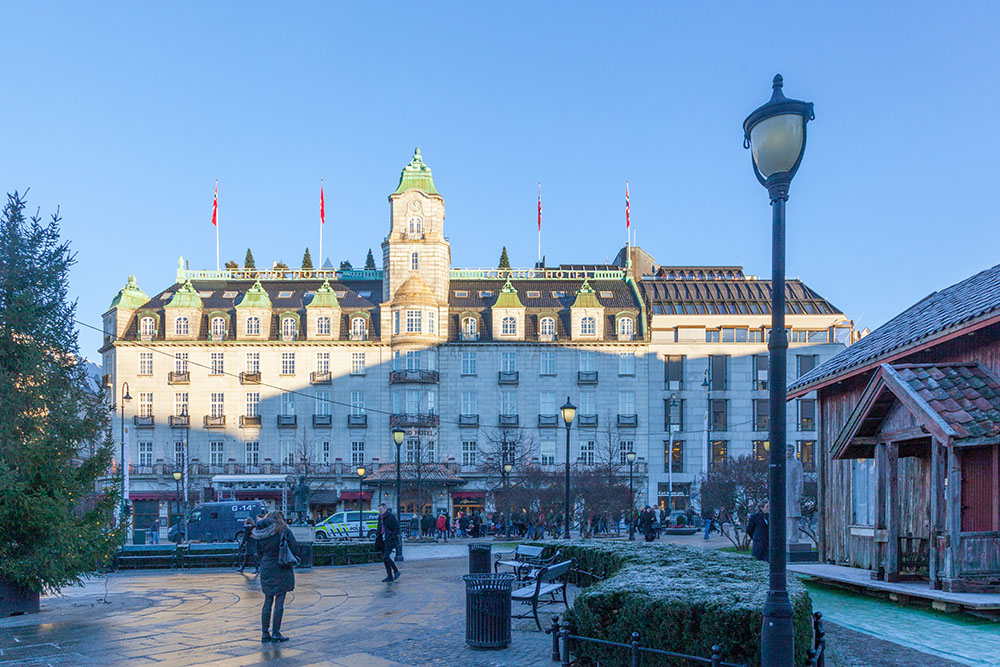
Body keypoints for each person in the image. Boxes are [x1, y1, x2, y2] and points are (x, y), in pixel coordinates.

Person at [252, 511, 300, 643]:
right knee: (279, 601)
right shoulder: (283, 530)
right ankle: (276, 633)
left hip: (266, 567)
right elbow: (295, 548)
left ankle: (264, 633)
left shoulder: (260, 533)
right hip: (281, 566)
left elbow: (258, 552)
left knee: (267, 600)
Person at [376, 502, 400, 582]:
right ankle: (389, 576)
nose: (380, 511)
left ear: (385, 509)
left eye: (381, 509)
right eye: (379, 509)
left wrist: (392, 537)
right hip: (382, 539)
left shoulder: (390, 517)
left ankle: (396, 571)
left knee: (386, 557)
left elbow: (396, 528)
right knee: (385, 559)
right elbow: (379, 527)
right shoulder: (380, 517)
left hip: (389, 540)